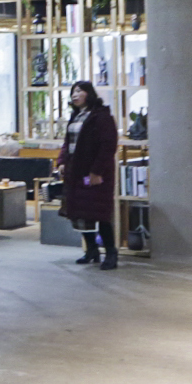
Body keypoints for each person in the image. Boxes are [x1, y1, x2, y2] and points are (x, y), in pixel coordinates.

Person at [57, 81, 119, 270]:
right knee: (81, 213)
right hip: (76, 172)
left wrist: (96, 171)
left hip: (95, 173)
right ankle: (92, 250)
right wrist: (61, 161)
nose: (74, 95)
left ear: (89, 94)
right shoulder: (76, 116)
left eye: (79, 91)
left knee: (100, 213)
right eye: (72, 92)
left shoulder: (101, 116)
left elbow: (108, 145)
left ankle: (111, 253)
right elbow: (68, 142)